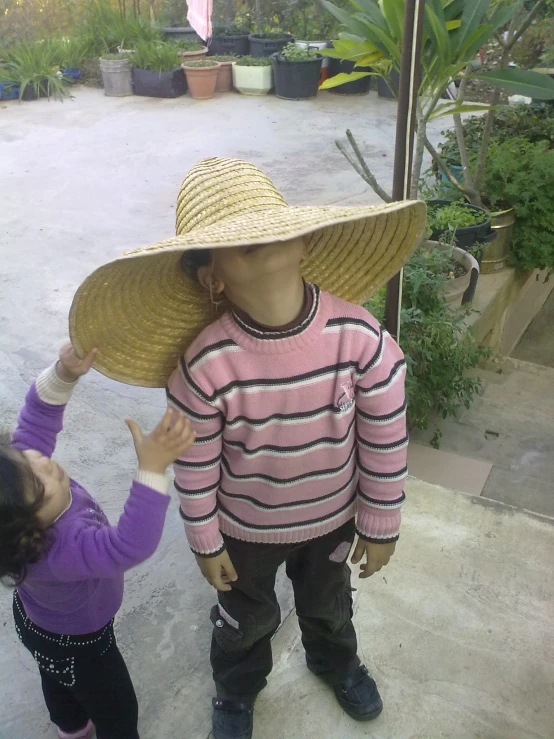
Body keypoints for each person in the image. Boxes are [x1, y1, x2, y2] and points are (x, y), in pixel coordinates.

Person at [68, 157, 427, 739]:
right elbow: (197, 461)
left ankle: (334, 660)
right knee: (243, 620)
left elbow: (386, 436)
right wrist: (204, 540)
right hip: (245, 533)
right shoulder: (206, 365)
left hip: (332, 521)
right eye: (240, 240)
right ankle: (236, 691)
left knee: (329, 604)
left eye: (272, 227)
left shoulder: (361, 339)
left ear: (304, 242)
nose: (263, 239)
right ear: (211, 276)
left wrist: (381, 520)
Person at [1, 342, 195, 739]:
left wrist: (63, 373)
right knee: (117, 712)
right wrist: (152, 469)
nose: (41, 461)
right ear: (28, 535)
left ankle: (71, 729)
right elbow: (128, 545)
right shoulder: (60, 549)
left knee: (55, 679)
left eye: (25, 460)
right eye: (39, 482)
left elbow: (36, 420)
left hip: (34, 621)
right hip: (82, 643)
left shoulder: (16, 506)